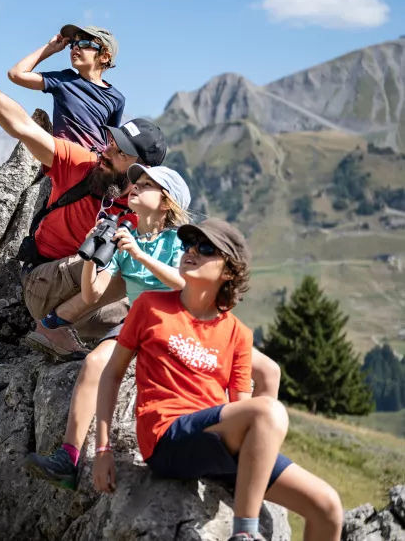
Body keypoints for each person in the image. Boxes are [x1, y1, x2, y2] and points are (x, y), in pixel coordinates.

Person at [25, 170, 282, 490]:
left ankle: (257, 454)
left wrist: (138, 254)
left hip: (194, 325)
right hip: (145, 322)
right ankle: (69, 458)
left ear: (165, 203)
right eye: (137, 182)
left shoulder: (181, 242)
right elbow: (93, 295)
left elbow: (185, 285)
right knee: (94, 364)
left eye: (147, 185)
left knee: (269, 371)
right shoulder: (125, 234)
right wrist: (90, 256)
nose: (134, 187)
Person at [92, 218, 344, 541]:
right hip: (167, 439)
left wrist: (255, 463)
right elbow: (111, 375)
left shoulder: (239, 335)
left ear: (228, 272)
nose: (191, 251)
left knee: (327, 508)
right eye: (189, 245)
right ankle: (245, 533)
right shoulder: (149, 307)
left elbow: (242, 414)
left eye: (206, 248)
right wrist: (102, 450)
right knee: (270, 411)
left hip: (214, 445)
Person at [0, 31, 165, 360]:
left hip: (87, 300)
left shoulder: (143, 205)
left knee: (154, 276)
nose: (108, 148)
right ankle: (50, 329)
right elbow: (21, 124)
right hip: (44, 281)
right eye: (112, 140)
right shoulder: (82, 165)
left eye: (121, 150)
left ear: (141, 168)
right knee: (113, 261)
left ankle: (130, 349)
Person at [7, 24, 125, 150]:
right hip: (64, 160)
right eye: (73, 44)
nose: (75, 48)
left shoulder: (117, 99)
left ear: (104, 56)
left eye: (84, 44)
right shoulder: (63, 80)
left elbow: (110, 142)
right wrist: (50, 48)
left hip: (93, 163)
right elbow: (16, 74)